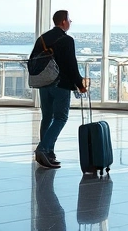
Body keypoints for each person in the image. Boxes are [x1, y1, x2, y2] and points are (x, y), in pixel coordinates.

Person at [30, 10, 88, 169]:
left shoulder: (42, 38)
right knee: (61, 118)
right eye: (69, 19)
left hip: (44, 83)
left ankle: (48, 152)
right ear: (63, 22)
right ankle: (43, 149)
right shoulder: (66, 40)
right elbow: (71, 65)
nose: (70, 21)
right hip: (60, 84)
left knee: (47, 117)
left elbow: (32, 61)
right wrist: (80, 84)